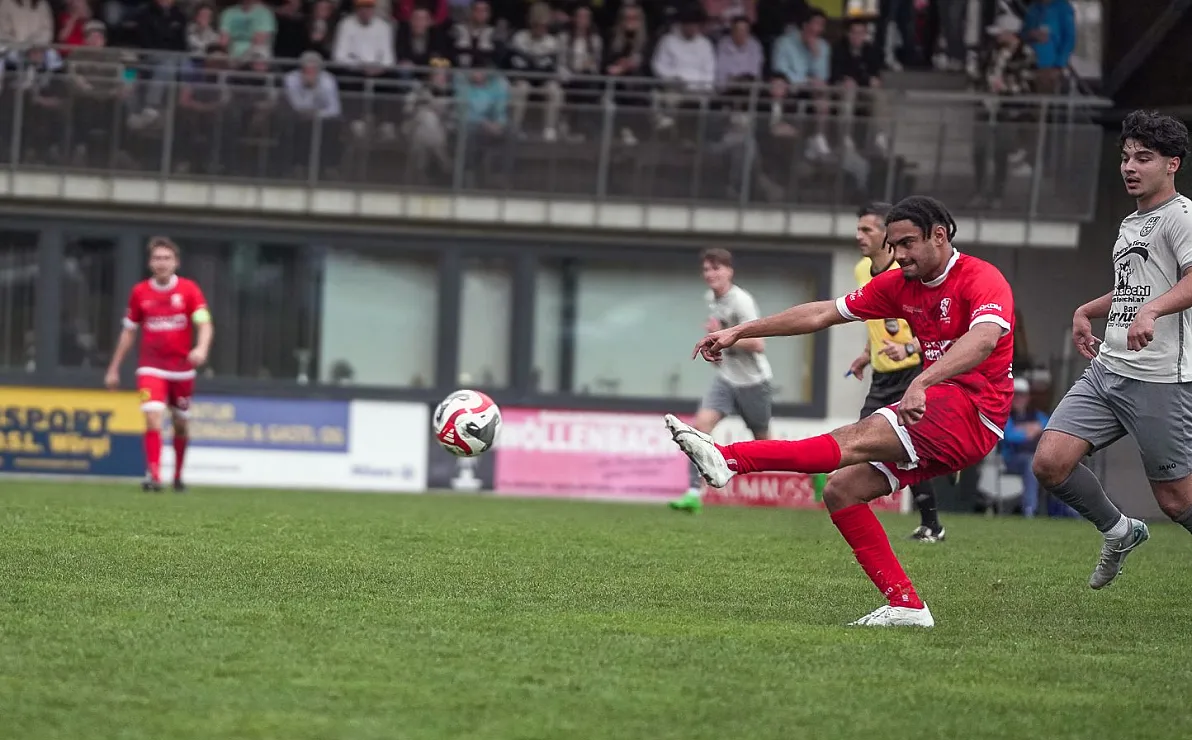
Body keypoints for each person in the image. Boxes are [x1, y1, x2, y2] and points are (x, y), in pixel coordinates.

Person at [666, 196, 1015, 627]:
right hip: (942, 413)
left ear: (939, 236)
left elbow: (983, 341)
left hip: (972, 410)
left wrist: (921, 381)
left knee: (849, 441)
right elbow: (821, 313)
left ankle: (731, 460)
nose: (898, 254)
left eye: (907, 243)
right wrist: (740, 331)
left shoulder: (981, 278)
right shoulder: (898, 284)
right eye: (893, 244)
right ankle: (906, 605)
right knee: (841, 490)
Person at [1032, 110, 1192, 588]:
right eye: (1125, 157)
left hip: (1159, 378)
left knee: (1176, 501)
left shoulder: (1181, 217)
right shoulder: (1131, 222)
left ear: (1172, 165)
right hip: (1108, 370)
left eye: (1144, 158)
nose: (1130, 167)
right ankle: (1120, 532)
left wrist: (1154, 312)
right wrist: (1086, 310)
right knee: (1049, 463)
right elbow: (1132, 288)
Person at [846, 202, 947, 543]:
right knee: (864, 440)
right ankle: (861, 510)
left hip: (911, 374)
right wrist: (866, 354)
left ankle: (930, 523)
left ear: (886, 238)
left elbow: (935, 329)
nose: (859, 236)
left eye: (867, 230)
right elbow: (873, 318)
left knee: (904, 447)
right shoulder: (863, 271)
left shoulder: (905, 274)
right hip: (882, 374)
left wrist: (908, 348)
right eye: (858, 229)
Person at [105, 237, 213, 493]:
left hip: (182, 369)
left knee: (180, 423)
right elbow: (129, 332)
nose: (161, 262)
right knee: (152, 416)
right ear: (150, 262)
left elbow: (204, 323)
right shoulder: (140, 292)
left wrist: (201, 348)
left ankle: (177, 475)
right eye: (157, 258)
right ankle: (154, 475)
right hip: (151, 367)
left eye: (166, 258)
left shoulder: (189, 290)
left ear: (176, 262)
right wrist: (113, 367)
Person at [669, 248, 773, 514]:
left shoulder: (741, 301)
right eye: (706, 269)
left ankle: (816, 473)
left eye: (716, 269)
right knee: (699, 428)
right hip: (726, 380)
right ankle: (693, 494)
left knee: (766, 445)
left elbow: (759, 344)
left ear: (729, 271)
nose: (710, 274)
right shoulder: (711, 299)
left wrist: (722, 337)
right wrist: (716, 344)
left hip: (753, 382)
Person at [1001, 377, 1046, 517]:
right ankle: (1029, 510)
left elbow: (1049, 426)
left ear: (1027, 397)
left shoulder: (1035, 414)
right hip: (1011, 460)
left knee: (1058, 464)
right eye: (1016, 395)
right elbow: (1009, 436)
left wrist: (1023, 429)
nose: (1019, 398)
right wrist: (1030, 430)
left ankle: (1070, 512)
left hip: (1036, 457)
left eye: (1022, 395)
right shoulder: (1004, 414)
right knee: (1029, 463)